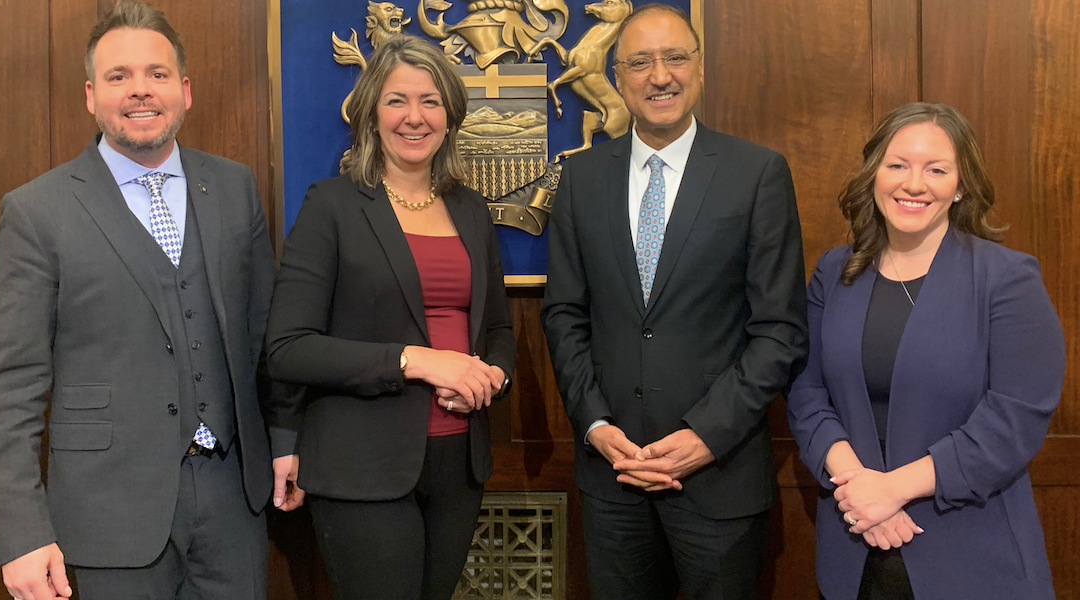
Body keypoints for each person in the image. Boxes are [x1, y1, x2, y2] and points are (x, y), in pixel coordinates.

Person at [0, 2, 291, 599]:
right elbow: (8, 387)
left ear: (185, 90)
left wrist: (287, 442)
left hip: (233, 506)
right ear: (91, 95)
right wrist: (20, 532)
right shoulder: (37, 212)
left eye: (158, 74)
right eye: (119, 77)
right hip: (106, 512)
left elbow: (265, 340)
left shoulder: (233, 187)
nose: (140, 91)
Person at [541, 4, 808, 599]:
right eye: (640, 62)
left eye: (674, 57)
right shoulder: (580, 180)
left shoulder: (757, 174)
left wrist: (706, 435)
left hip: (719, 476)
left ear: (700, 68)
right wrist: (594, 424)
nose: (659, 75)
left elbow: (780, 330)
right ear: (617, 77)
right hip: (614, 478)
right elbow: (564, 315)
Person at [265, 35, 516, 600]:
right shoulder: (331, 204)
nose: (414, 116)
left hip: (459, 464)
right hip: (362, 465)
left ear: (450, 116)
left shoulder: (471, 210)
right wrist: (418, 361)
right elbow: (289, 347)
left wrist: (491, 378)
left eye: (430, 101)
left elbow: (499, 330)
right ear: (371, 114)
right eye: (397, 100)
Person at [786, 102, 1064, 600]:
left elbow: (1014, 420)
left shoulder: (1006, 278)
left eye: (936, 169)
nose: (914, 184)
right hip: (855, 552)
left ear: (960, 186)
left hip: (973, 558)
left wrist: (892, 491)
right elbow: (806, 392)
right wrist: (860, 489)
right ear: (875, 175)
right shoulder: (835, 271)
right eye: (897, 165)